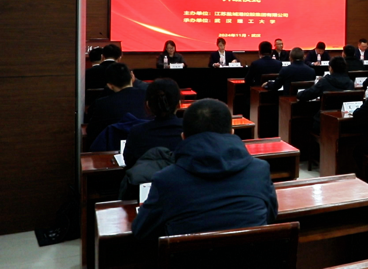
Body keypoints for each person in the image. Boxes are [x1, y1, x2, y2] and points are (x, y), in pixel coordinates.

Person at [132, 99, 277, 241]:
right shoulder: (259, 170)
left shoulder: (166, 180)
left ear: (183, 137)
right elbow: (270, 216)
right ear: (232, 132)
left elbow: (142, 231)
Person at [123, 78, 184, 168]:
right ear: (179, 104)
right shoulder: (190, 129)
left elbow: (129, 162)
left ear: (148, 105)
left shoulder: (137, 132)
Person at [87, 63, 148, 141]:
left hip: (114, 145)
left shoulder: (102, 104)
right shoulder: (148, 97)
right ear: (132, 76)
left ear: (110, 85)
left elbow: (92, 131)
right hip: (146, 142)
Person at [297, 56, 354, 132]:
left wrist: (299, 94)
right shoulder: (350, 83)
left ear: (331, 68)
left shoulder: (325, 81)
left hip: (324, 122)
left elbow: (307, 95)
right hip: (343, 122)